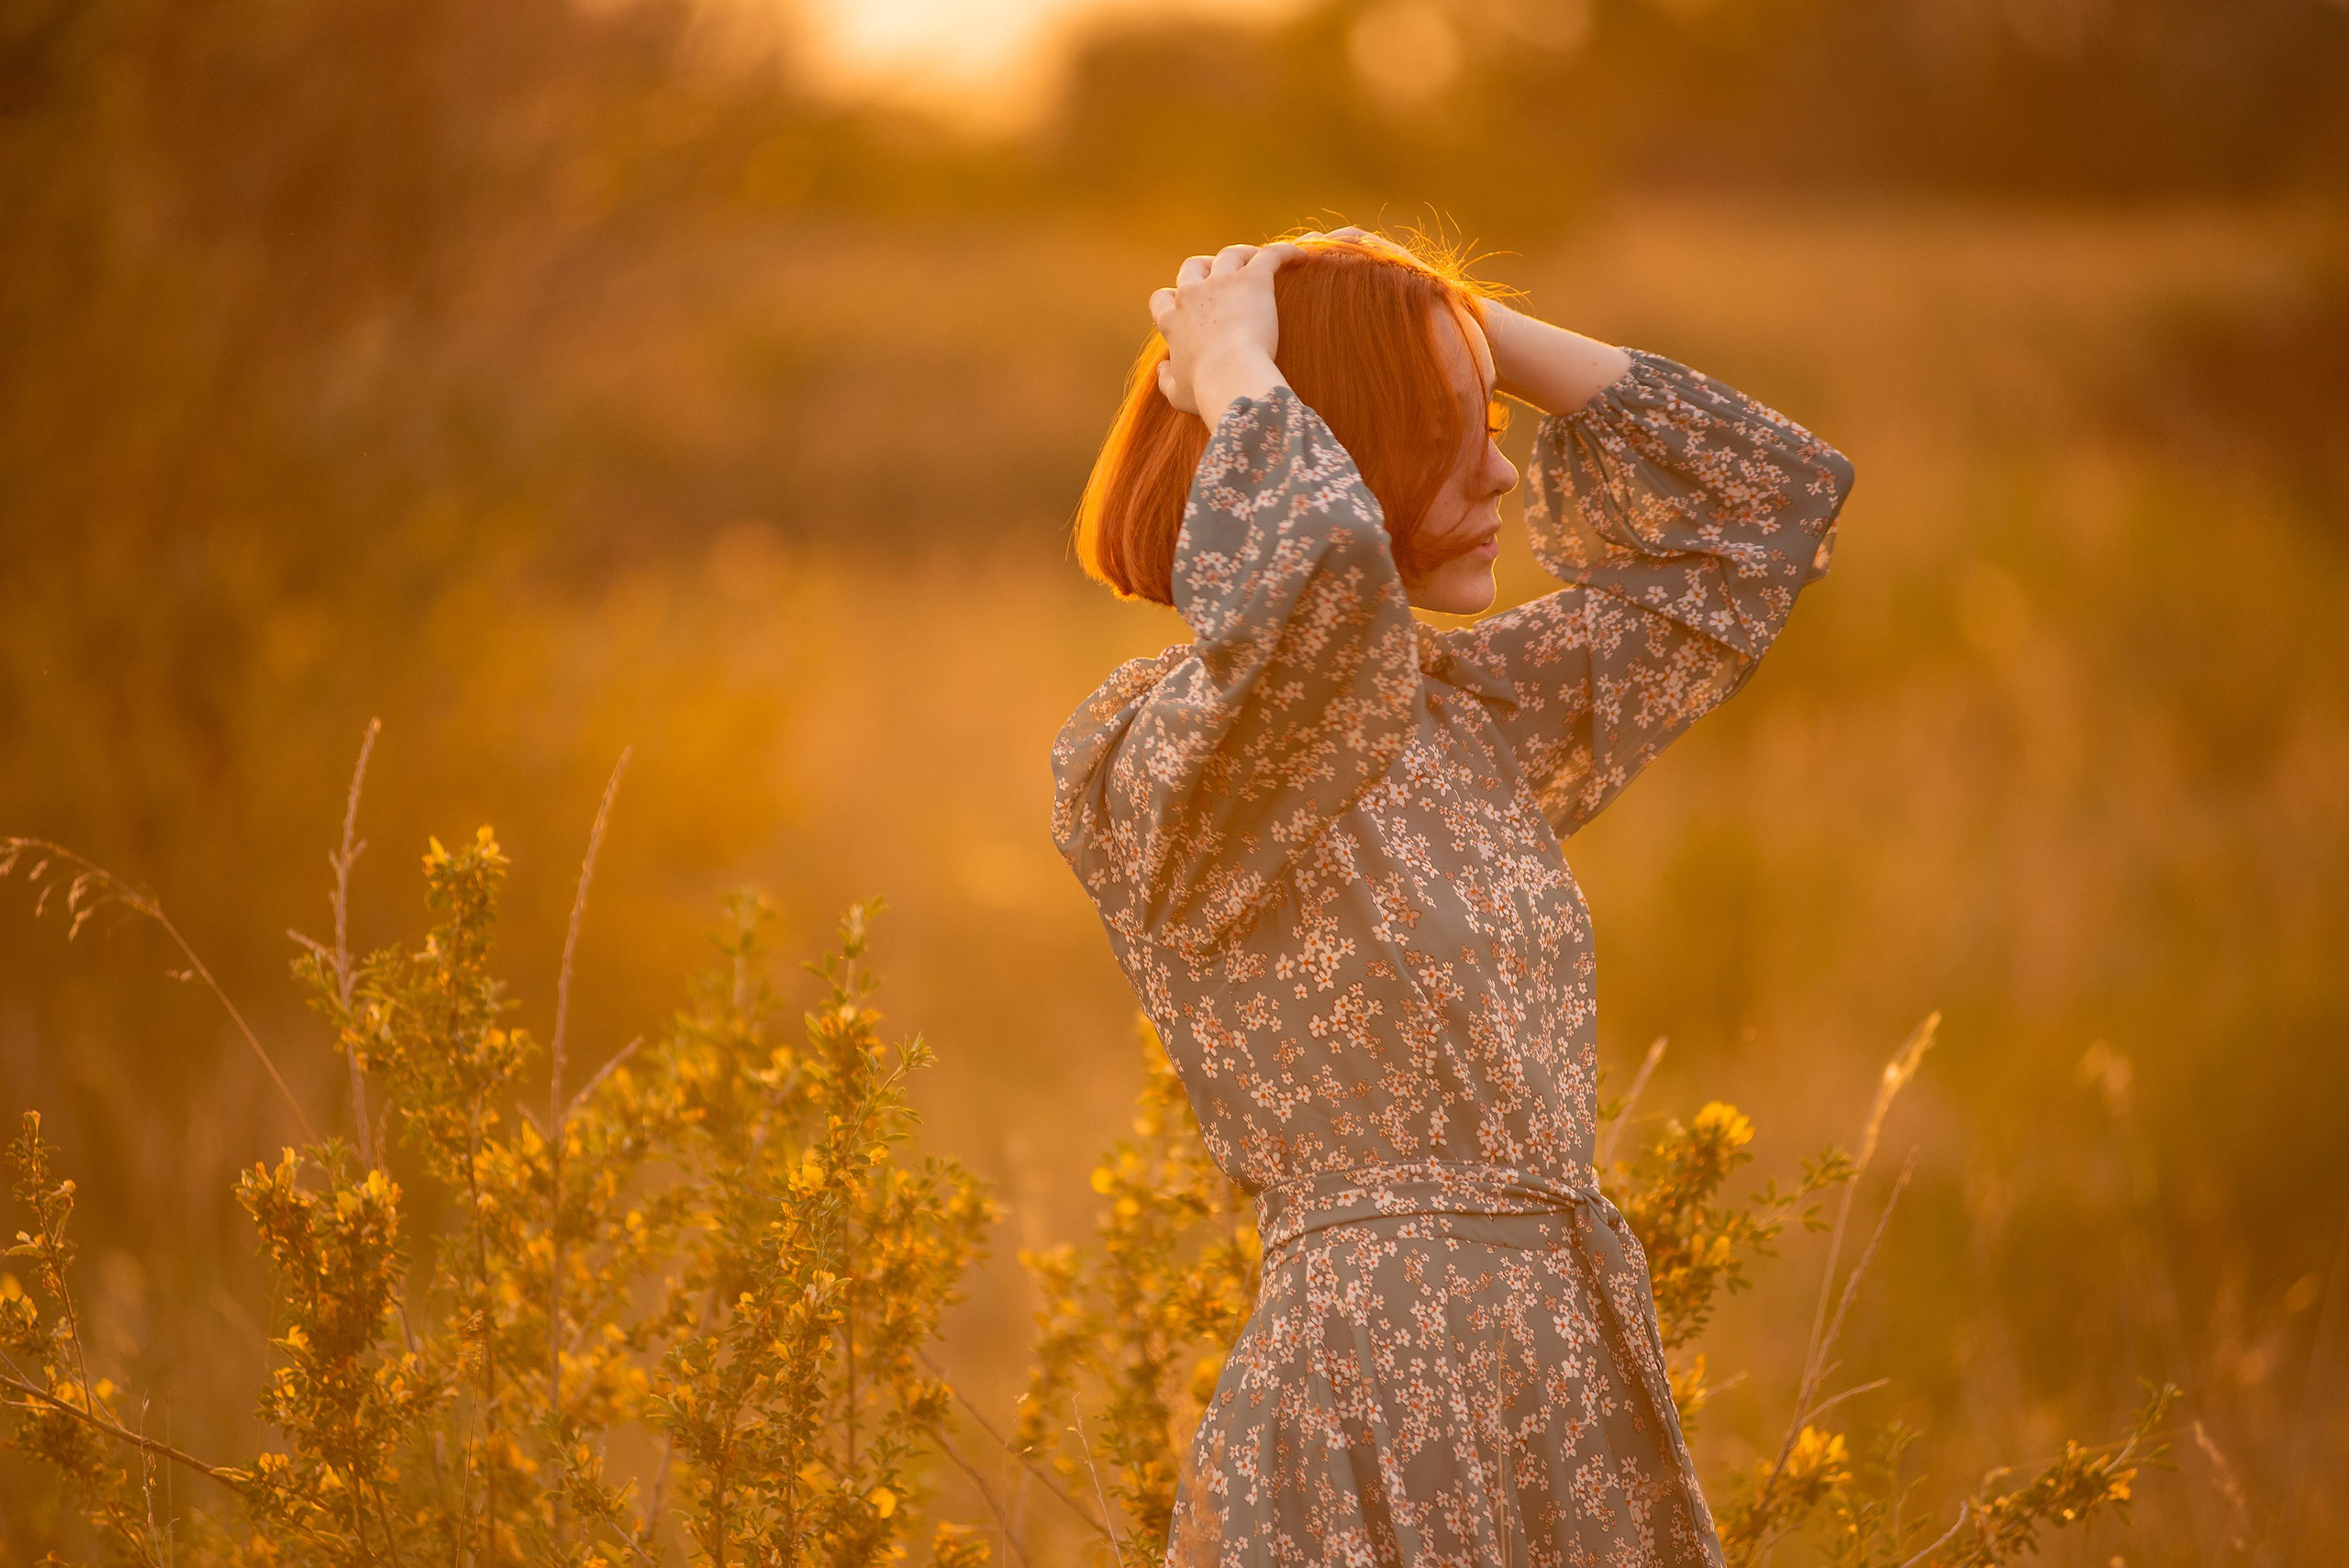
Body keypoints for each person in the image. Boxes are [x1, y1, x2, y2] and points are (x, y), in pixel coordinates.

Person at [1051, 228, 1853, 1567]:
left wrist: (1462, 325)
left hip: (1559, 1386)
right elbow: (1315, 583)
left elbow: (1758, 513)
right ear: (1333, 453)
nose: (1501, 469)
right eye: (1442, 430)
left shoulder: (1470, 714)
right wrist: (1241, 366)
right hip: (1367, 1404)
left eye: (1492, 423)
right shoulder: (1164, 757)